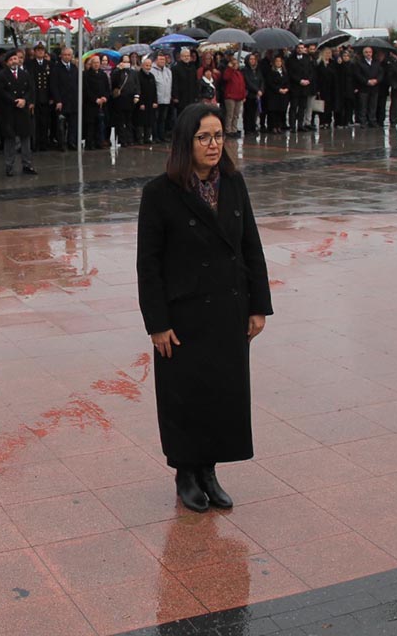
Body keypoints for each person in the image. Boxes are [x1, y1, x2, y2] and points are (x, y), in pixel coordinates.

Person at [136, 102, 273, 512]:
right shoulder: (159, 193)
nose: (213, 145)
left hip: (228, 310)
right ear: (186, 142)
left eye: (219, 136)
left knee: (223, 395)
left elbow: (251, 244)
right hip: (184, 316)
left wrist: (258, 305)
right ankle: (187, 473)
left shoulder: (233, 183)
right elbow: (148, 265)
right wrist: (157, 323)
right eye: (203, 137)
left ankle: (210, 470)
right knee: (185, 396)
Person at [0, 49, 37, 176]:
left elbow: (30, 89)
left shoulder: (25, 74)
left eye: (16, 59)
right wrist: (14, 101)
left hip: (23, 110)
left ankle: (27, 164)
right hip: (9, 110)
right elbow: (1, 92)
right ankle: (9, 166)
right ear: (7, 62)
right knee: (10, 139)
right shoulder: (2, 75)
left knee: (26, 138)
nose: (14, 61)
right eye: (11, 59)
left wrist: (25, 100)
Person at [49, 48, 80, 150]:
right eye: (65, 55)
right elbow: (54, 86)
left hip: (73, 101)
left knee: (73, 124)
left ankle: (71, 142)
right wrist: (58, 100)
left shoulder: (74, 68)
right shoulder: (56, 68)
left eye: (69, 55)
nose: (67, 57)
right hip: (62, 101)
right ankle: (61, 143)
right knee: (61, 124)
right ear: (61, 56)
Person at [26, 44, 54, 151]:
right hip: (35, 97)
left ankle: (44, 143)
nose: (40, 52)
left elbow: (52, 82)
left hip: (46, 97)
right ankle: (35, 144)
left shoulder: (49, 64)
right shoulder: (30, 64)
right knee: (35, 123)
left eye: (42, 50)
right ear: (34, 52)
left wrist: (52, 96)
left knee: (45, 122)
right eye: (38, 50)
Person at [82, 55, 110, 150]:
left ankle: (99, 142)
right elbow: (86, 90)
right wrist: (95, 99)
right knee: (91, 125)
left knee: (101, 124)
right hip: (90, 104)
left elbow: (107, 88)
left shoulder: (103, 74)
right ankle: (90, 143)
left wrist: (105, 97)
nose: (96, 64)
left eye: (98, 63)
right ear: (91, 64)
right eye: (94, 63)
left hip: (102, 104)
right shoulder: (85, 74)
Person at [355, 47, 383, 127]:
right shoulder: (359, 63)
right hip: (364, 88)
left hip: (375, 87)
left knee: (373, 106)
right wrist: (367, 81)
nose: (368, 54)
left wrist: (377, 80)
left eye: (370, 52)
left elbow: (381, 73)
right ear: (363, 53)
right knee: (363, 106)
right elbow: (358, 75)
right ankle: (363, 121)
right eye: (366, 52)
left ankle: (372, 120)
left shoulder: (376, 62)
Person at [220, 56, 246, 137]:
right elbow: (226, 77)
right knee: (230, 114)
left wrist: (243, 95)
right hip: (230, 96)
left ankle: (234, 129)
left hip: (239, 96)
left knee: (236, 115)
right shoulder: (228, 71)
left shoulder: (239, 73)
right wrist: (230, 68)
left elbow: (242, 85)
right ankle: (228, 130)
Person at [151, 53, 174, 142]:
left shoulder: (168, 71)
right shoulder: (152, 71)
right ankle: (155, 136)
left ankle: (162, 136)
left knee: (163, 119)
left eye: (163, 60)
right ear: (156, 60)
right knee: (155, 119)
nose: (162, 61)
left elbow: (170, 84)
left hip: (166, 99)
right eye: (160, 59)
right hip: (157, 99)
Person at [263, 55, 289, 132]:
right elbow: (270, 83)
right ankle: (273, 126)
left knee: (281, 111)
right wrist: (278, 89)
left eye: (280, 61)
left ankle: (279, 126)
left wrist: (286, 89)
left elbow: (287, 82)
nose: (278, 63)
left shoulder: (284, 72)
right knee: (273, 111)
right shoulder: (271, 72)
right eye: (277, 61)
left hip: (283, 95)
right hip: (274, 95)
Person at [241, 53, 263, 135]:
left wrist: (261, 90)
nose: (252, 61)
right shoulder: (245, 70)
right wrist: (257, 90)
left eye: (254, 59)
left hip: (257, 95)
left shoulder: (258, 70)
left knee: (255, 113)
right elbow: (247, 82)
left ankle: (253, 127)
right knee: (248, 112)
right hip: (249, 94)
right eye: (251, 59)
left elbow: (261, 80)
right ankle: (248, 129)